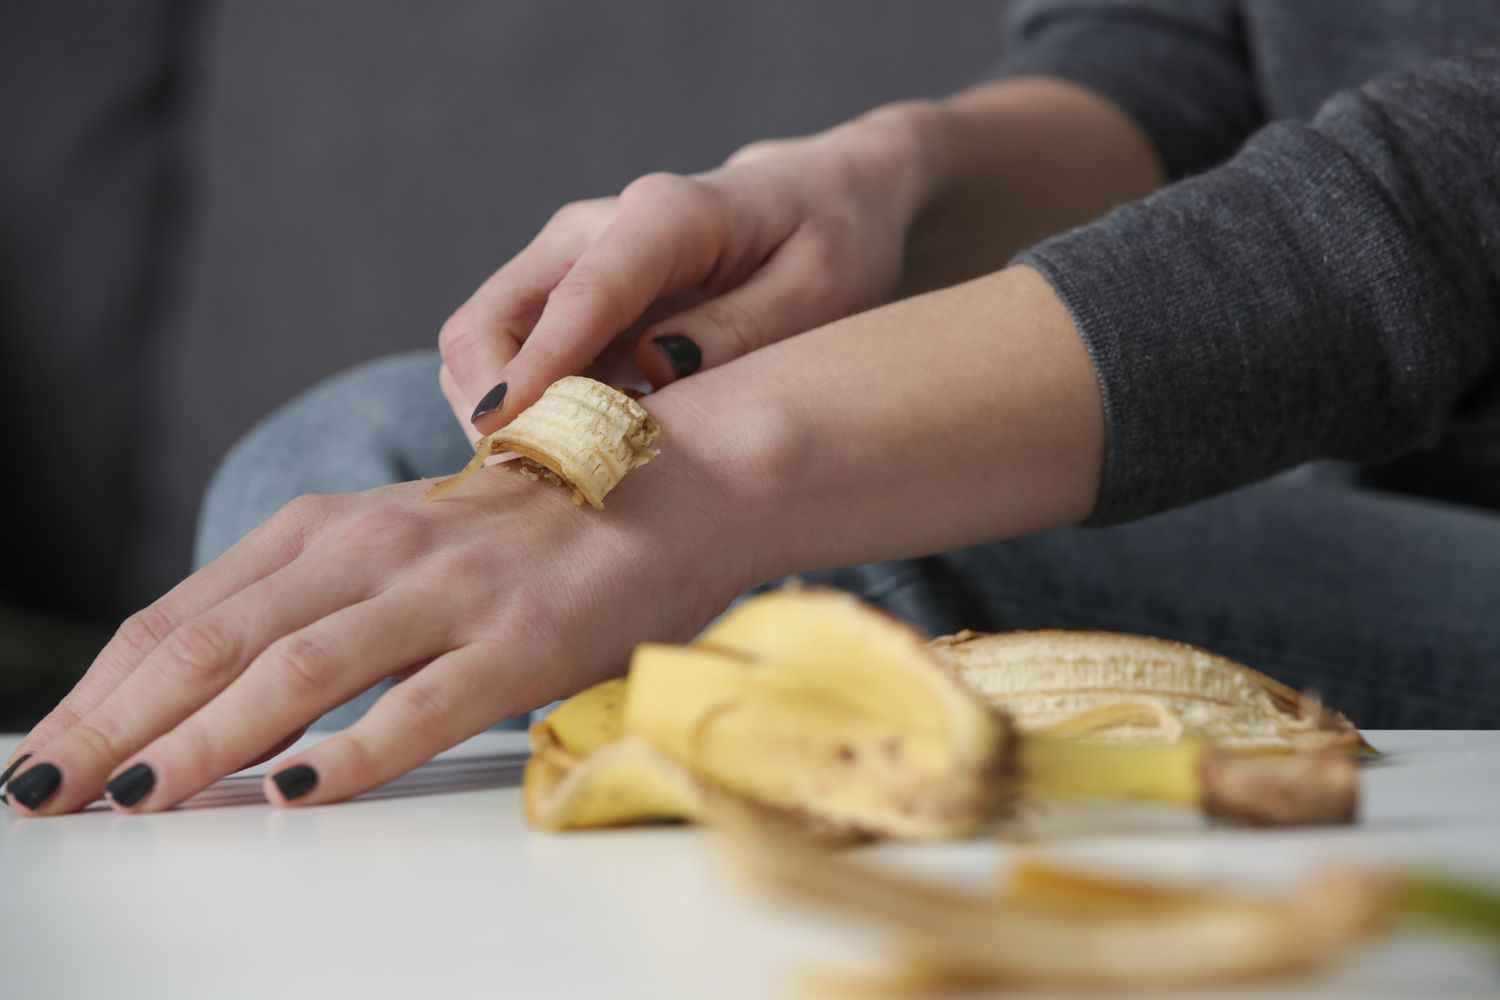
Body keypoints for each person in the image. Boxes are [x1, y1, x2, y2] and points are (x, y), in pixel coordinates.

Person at [4, 1, 1497, 817]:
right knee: (364, 472)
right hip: (1366, 510)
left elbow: (1455, 191)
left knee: (397, 478)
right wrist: (881, 176)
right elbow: (1195, 56)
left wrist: (736, 462)